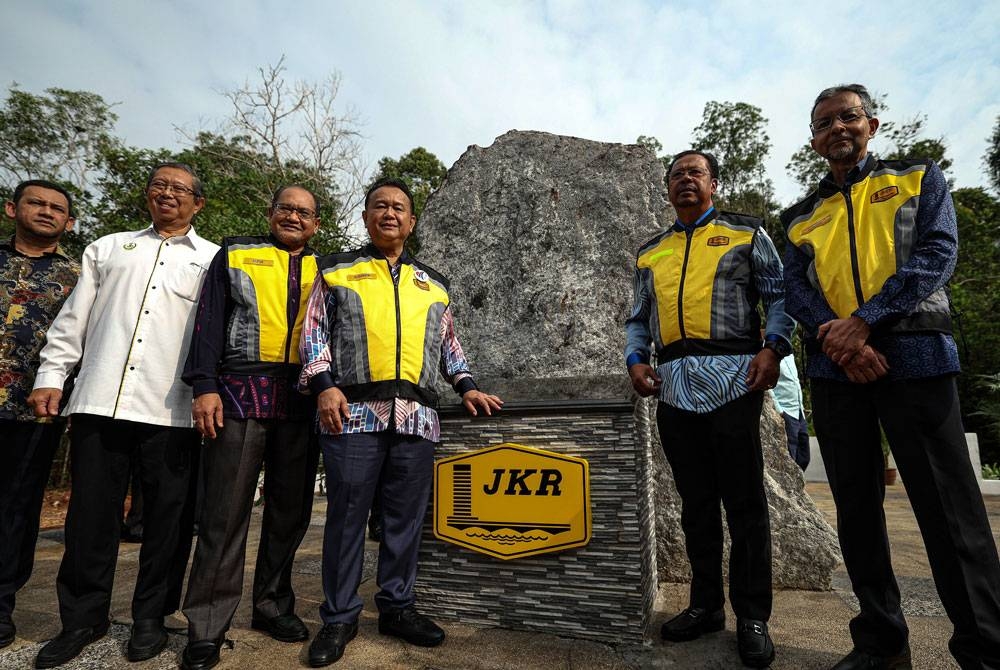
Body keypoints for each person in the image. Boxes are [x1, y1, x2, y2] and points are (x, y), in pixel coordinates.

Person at [782, 83, 1000, 670]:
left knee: (950, 512)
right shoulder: (799, 215)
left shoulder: (917, 177)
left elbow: (937, 253)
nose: (836, 130)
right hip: (836, 370)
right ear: (814, 140)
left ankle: (983, 647)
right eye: (823, 123)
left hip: (916, 357)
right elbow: (796, 290)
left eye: (847, 118)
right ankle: (880, 641)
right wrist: (842, 337)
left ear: (872, 125)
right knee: (856, 511)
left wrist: (867, 321)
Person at [298, 177, 503, 667]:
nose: (389, 213)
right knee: (346, 519)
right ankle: (340, 616)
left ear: (412, 222)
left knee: (405, 522)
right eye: (380, 206)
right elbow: (312, 334)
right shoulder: (335, 270)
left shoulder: (433, 284)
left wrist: (468, 385)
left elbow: (449, 346)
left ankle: (396, 607)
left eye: (399, 208)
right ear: (366, 217)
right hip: (351, 414)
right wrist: (324, 383)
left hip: (417, 419)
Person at [28, 163, 219, 668]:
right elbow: (74, 320)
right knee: (90, 518)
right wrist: (52, 374)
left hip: (172, 409)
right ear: (147, 195)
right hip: (100, 399)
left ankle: (151, 618)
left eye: (180, 189)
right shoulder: (108, 249)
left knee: (167, 523)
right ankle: (82, 619)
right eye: (160, 185)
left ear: (198, 204)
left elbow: (216, 335)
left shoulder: (213, 260)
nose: (168, 194)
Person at [625, 150, 792, 668]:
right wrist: (636, 359)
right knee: (695, 505)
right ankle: (705, 606)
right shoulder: (652, 251)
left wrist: (774, 348)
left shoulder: (747, 233)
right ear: (668, 188)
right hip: (673, 389)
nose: (685, 181)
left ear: (714, 183)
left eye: (695, 173)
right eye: (677, 175)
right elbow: (637, 317)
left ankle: (753, 616)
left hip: (734, 383)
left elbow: (782, 297)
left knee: (745, 505)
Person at [178, 185, 323, 670]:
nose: (294, 217)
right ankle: (206, 626)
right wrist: (204, 384)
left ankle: (271, 606)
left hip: (302, 402)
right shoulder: (235, 254)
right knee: (224, 513)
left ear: (316, 224)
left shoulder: (329, 269)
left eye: (304, 213)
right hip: (239, 393)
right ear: (270, 212)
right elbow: (208, 320)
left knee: (290, 512)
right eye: (286, 208)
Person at [0, 180, 80, 650]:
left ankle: (2, 603)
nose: (46, 212)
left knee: (15, 508)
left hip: (33, 409)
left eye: (57, 208)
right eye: (36, 203)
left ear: (69, 222)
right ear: (13, 208)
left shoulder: (78, 274)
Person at [770, 338, 809, 471]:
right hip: (785, 412)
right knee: (790, 456)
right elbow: (768, 387)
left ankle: (797, 487)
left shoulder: (790, 352)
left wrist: (801, 407)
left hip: (798, 412)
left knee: (804, 456)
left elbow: (795, 382)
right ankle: (791, 490)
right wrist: (779, 410)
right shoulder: (767, 352)